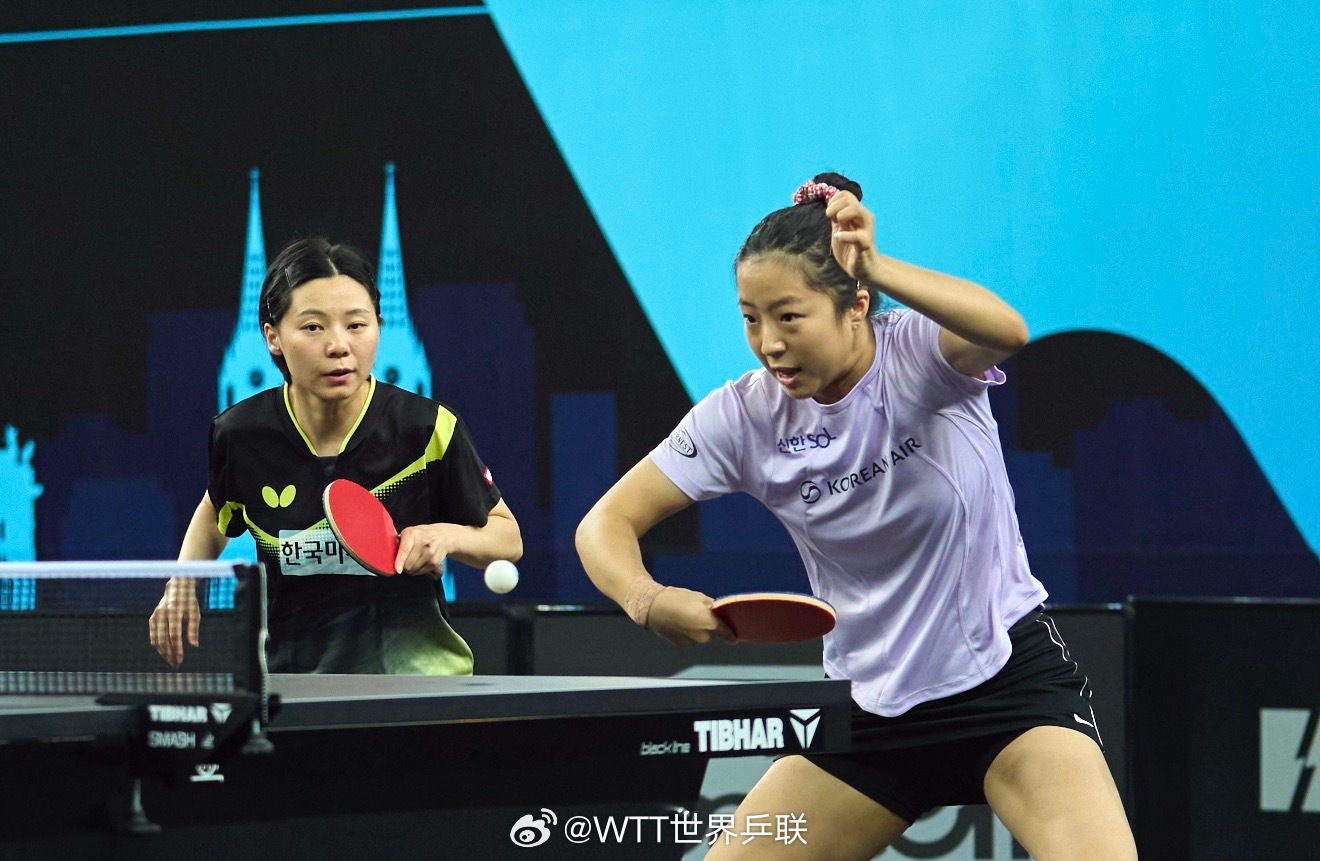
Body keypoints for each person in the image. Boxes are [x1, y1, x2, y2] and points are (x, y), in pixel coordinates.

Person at [575, 174, 1137, 859]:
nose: (768, 342)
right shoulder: (743, 416)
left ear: (856, 305)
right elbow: (603, 524)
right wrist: (646, 599)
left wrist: (876, 263)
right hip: (868, 713)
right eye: (750, 318)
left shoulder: (921, 356)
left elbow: (1007, 330)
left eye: (789, 316)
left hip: (1006, 688)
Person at [150, 236, 521, 674]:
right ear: (273, 337)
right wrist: (183, 581)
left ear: (378, 327)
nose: (339, 345)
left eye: (357, 325)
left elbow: (507, 538)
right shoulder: (241, 435)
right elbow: (217, 511)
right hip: (294, 684)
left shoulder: (427, 429)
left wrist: (446, 536)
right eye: (313, 327)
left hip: (416, 683)